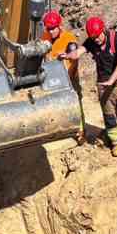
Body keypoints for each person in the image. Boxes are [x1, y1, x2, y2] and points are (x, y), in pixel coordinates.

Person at [61, 16, 117, 157]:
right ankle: (115, 142)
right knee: (109, 116)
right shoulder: (91, 41)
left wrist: (112, 79)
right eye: (93, 37)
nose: (95, 40)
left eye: (97, 36)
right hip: (103, 84)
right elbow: (79, 51)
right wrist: (69, 55)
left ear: (103, 30)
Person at [42, 10, 85, 144]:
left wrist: (67, 77)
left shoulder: (69, 39)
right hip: (52, 79)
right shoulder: (44, 38)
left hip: (69, 78)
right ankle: (61, 130)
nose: (51, 32)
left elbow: (73, 60)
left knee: (75, 104)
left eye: (53, 28)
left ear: (59, 26)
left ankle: (81, 132)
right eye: (48, 29)